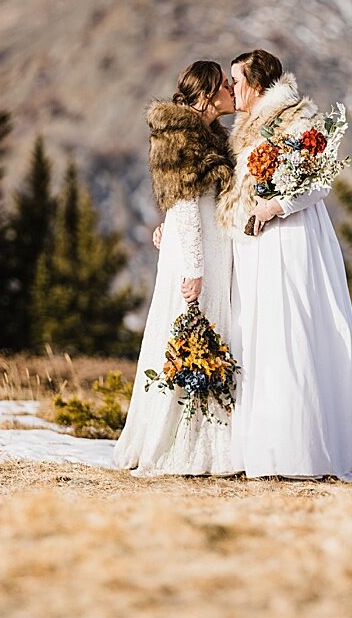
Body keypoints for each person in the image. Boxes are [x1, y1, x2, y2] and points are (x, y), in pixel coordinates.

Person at [222, 49, 352, 480]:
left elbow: (319, 182)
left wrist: (278, 206)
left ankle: (301, 447)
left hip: (291, 237)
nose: (232, 89)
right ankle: (264, 445)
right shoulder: (245, 126)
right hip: (254, 244)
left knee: (292, 329)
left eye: (237, 80)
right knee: (259, 334)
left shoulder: (297, 119)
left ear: (258, 83)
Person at [114, 60, 241, 475]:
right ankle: (182, 444)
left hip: (206, 247)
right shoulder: (181, 136)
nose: (230, 90)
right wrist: (194, 268)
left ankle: (207, 438)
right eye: (223, 84)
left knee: (210, 338)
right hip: (197, 252)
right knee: (190, 334)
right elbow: (185, 203)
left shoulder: (208, 135)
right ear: (205, 94)